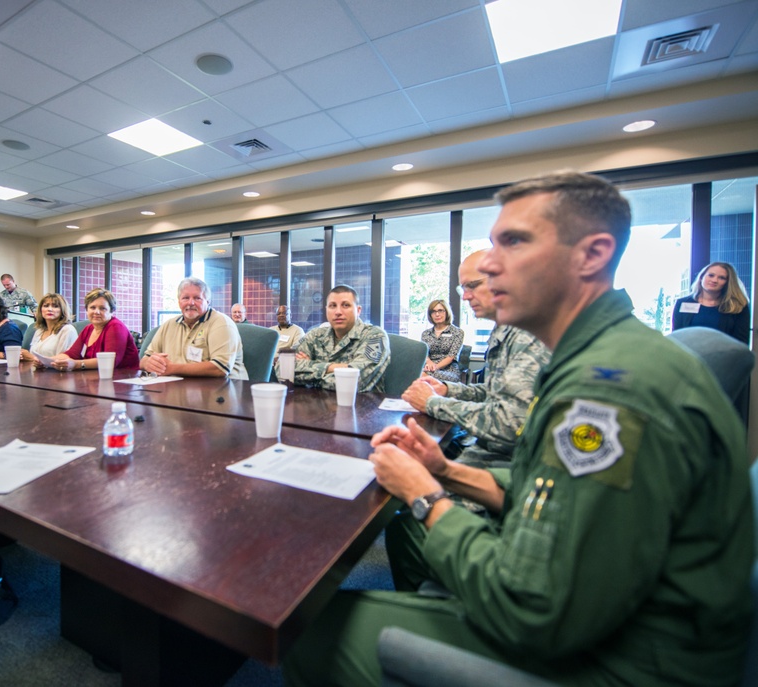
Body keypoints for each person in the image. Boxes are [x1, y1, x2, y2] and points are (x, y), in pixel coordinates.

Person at [282, 171, 754, 687]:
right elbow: (550, 498)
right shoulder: (595, 355)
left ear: (592, 255)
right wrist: (445, 472)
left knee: (307, 632)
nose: (487, 265)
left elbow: (538, 606)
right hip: (602, 617)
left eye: (514, 241)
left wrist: (427, 497)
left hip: (618, 661)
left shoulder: (608, 391)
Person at [401, 250, 549, 466]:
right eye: (464, 289)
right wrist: (448, 389)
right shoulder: (503, 329)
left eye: (473, 285)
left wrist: (433, 402)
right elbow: (495, 393)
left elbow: (511, 422)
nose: (466, 296)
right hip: (484, 445)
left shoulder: (529, 333)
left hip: (510, 461)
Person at [285, 285, 389, 392]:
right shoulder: (316, 335)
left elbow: (352, 382)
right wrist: (333, 368)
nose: (338, 312)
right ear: (326, 310)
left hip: (361, 405)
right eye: (332, 306)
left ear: (358, 310)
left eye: (345, 305)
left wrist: (309, 369)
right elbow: (283, 368)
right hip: (316, 404)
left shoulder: (374, 336)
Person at [141, 277, 246, 379]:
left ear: (208, 301)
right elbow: (144, 359)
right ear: (179, 302)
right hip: (179, 389)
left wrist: (172, 368)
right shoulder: (168, 325)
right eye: (185, 298)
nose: (190, 303)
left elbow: (220, 368)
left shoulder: (222, 323)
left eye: (197, 298)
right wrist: (149, 363)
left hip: (222, 390)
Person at [50, 288, 140, 372]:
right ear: (86, 310)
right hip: (93, 379)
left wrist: (76, 364)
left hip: (121, 380)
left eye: (102, 308)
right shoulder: (88, 329)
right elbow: (72, 354)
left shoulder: (116, 327)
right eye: (92, 307)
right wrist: (47, 361)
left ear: (111, 311)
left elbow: (110, 362)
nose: (96, 312)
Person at [671, 261, 750, 344]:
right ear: (701, 277)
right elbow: (676, 337)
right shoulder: (682, 303)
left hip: (723, 356)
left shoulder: (737, 307)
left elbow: (741, 343)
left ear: (728, 283)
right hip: (688, 355)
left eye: (722, 278)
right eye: (711, 275)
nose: (714, 280)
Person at [20, 293, 78, 364]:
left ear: (62, 310)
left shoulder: (68, 330)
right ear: (41, 310)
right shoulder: (39, 331)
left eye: (55, 306)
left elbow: (63, 361)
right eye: (46, 306)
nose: (50, 309)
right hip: (38, 372)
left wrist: (31, 358)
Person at [419, 299, 464, 383]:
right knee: (413, 373)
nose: (437, 314)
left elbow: (451, 357)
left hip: (449, 370)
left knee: (421, 376)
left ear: (446, 312)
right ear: (430, 315)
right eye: (433, 311)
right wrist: (429, 363)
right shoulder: (425, 333)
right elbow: (424, 353)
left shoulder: (457, 332)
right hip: (428, 368)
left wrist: (435, 367)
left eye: (440, 311)